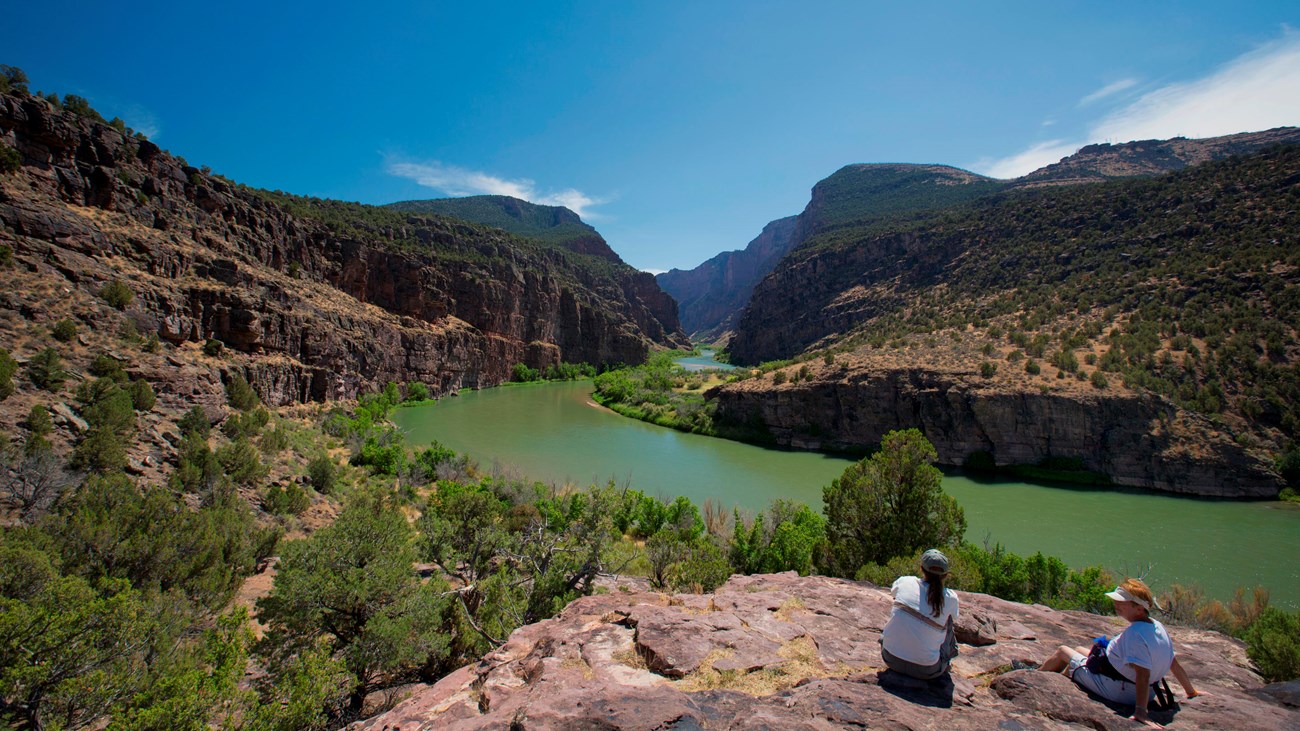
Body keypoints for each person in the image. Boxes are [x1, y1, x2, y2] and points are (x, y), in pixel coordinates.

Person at [1038, 577, 1201, 728]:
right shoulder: (1157, 626)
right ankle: (1070, 677)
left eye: (1122, 601)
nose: (1116, 604)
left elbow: (1142, 675)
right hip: (1138, 686)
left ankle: (1037, 678)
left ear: (1138, 609)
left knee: (1062, 651)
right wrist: (1190, 691)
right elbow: (1172, 662)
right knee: (1080, 650)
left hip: (1120, 689)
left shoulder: (1135, 635)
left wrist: (1141, 712)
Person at [880, 548, 960, 680]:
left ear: (921, 568)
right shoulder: (951, 597)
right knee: (948, 621)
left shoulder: (905, 581)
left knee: (900, 609)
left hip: (891, 658)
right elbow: (955, 618)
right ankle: (947, 661)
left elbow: (893, 593)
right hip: (927, 670)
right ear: (945, 575)